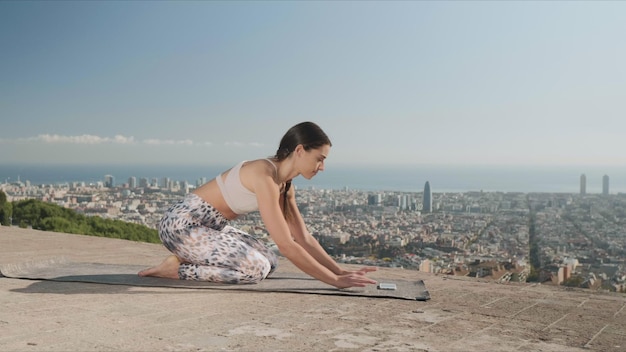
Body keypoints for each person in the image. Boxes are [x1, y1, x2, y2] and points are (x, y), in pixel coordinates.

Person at [139, 121, 377, 289]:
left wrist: (339, 271)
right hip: (181, 227)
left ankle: (182, 258)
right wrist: (334, 282)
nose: (322, 167)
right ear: (300, 150)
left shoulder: (285, 184)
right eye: (320, 159)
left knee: (270, 262)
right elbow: (285, 244)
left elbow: (302, 237)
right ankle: (176, 270)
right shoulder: (264, 175)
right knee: (254, 270)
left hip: (210, 228)